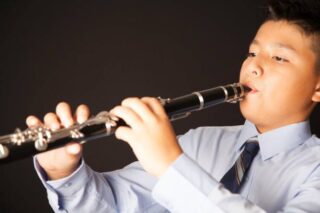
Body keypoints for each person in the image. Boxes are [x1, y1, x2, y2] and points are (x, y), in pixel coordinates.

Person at [27, 0, 320, 212]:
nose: (253, 66)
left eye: (279, 58)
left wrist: (171, 166)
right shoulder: (198, 141)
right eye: (251, 52)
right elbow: (112, 205)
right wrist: (64, 172)